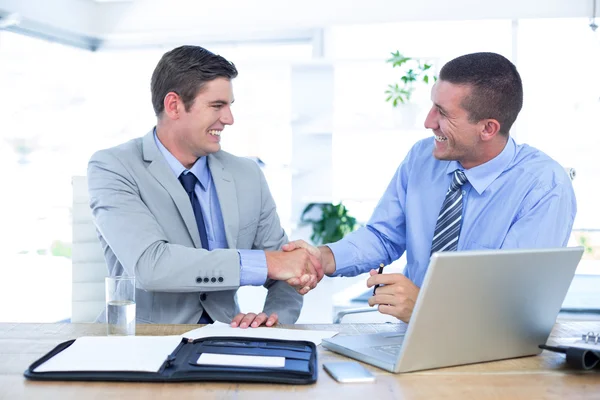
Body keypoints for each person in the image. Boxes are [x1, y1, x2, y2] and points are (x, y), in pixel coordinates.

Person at [283, 52, 576, 323]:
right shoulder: (422, 157)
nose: (427, 122)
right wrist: (324, 257)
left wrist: (424, 308)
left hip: (491, 352)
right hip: (411, 339)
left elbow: (515, 304)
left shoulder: (544, 187)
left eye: (443, 113)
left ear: (488, 128)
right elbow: (383, 236)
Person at [87, 45, 322, 328]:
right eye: (216, 106)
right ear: (174, 105)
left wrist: (273, 320)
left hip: (226, 338)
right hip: (143, 343)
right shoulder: (113, 166)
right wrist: (265, 263)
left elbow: (287, 269)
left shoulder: (247, 174)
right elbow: (151, 266)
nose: (229, 119)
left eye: (230, 106)